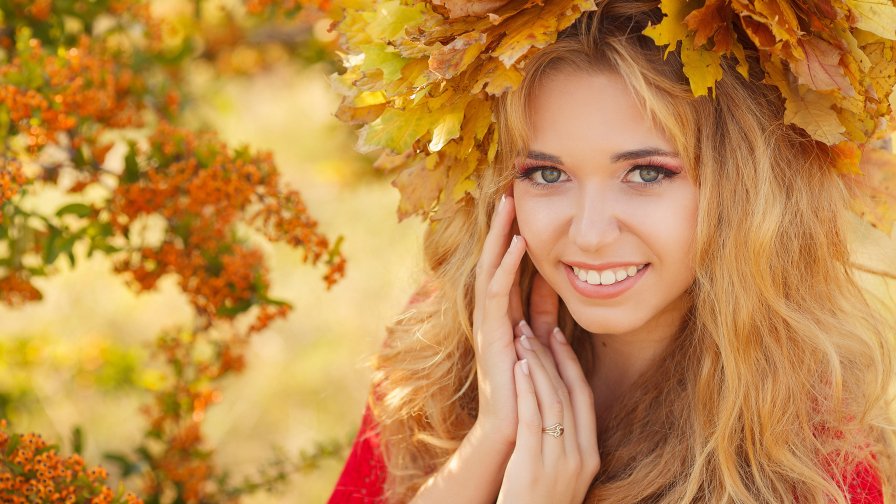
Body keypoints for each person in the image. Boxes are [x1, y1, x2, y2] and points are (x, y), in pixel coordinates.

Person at [328, 1, 895, 502]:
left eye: (646, 173)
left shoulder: (819, 468)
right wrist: (488, 441)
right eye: (547, 173)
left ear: (744, 189)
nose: (591, 234)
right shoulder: (442, 344)